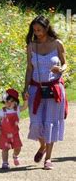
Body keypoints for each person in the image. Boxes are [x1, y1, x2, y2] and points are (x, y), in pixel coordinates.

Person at [23, 15, 68, 170]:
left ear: (47, 28)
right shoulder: (31, 45)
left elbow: (65, 63)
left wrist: (60, 69)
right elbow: (29, 68)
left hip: (54, 89)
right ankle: (42, 146)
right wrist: (25, 88)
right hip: (36, 88)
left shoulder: (57, 44)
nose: (37, 33)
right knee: (36, 122)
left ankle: (48, 158)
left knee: (50, 122)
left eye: (40, 30)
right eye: (34, 30)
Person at [0, 88, 27, 170]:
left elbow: (24, 107)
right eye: (7, 101)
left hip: (15, 133)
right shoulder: (2, 111)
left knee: (18, 147)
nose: (9, 103)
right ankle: (5, 162)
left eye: (11, 101)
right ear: (4, 101)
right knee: (5, 149)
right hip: (4, 134)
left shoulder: (17, 109)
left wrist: (26, 100)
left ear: (16, 102)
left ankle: (15, 155)